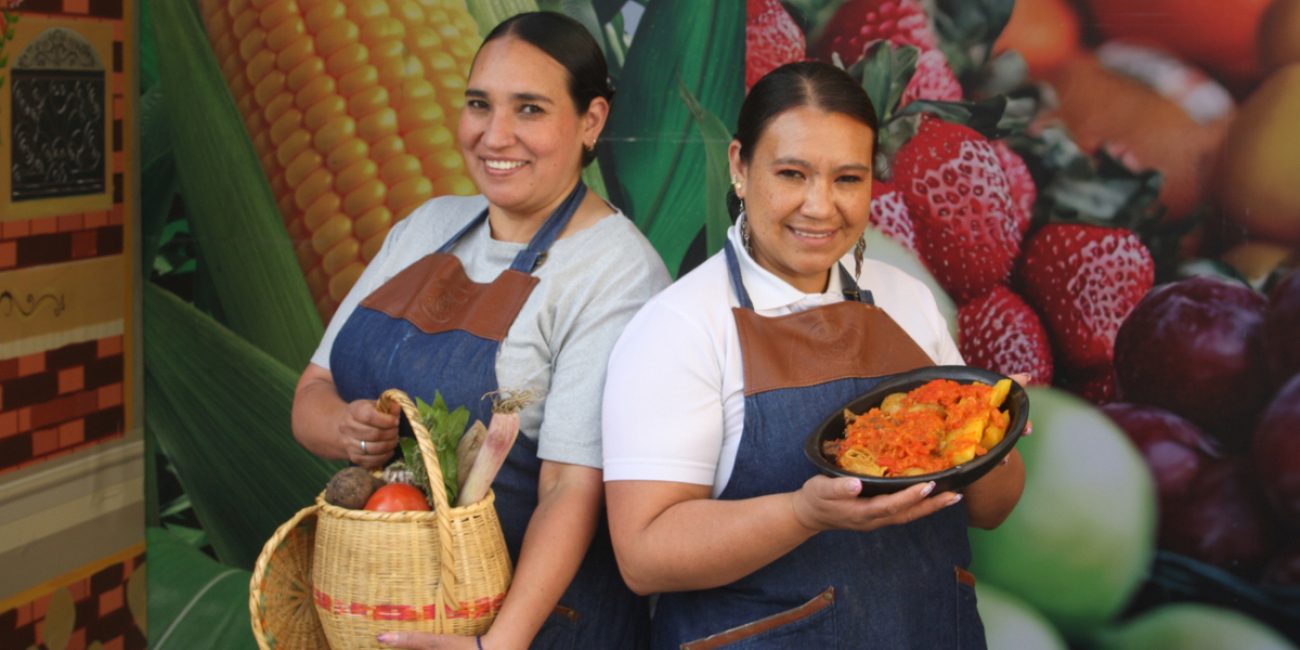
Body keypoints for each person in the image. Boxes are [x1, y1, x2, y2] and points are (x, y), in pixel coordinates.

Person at [601, 61, 1027, 649]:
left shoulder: (907, 300)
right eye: (792, 174)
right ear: (739, 168)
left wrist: (990, 433)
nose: (821, 207)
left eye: (847, 179)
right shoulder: (679, 327)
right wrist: (805, 513)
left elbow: (989, 510)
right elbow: (645, 555)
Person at [291, 12, 670, 650]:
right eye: (479, 104)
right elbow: (313, 391)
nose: (496, 135)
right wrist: (349, 432)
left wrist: (495, 646)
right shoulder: (424, 228)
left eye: (529, 109)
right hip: (381, 611)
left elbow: (569, 487)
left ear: (591, 122)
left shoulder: (616, 273)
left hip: (535, 625)